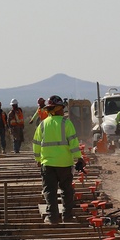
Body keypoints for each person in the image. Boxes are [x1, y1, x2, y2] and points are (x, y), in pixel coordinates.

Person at [33, 95, 84, 225]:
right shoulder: (66, 123)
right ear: (56, 109)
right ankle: (67, 217)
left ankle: (52, 218)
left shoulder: (43, 125)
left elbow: (36, 144)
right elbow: (73, 142)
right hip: (64, 164)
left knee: (50, 191)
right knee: (66, 191)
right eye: (62, 108)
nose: (63, 110)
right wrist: (79, 158)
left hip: (48, 164)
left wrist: (38, 159)